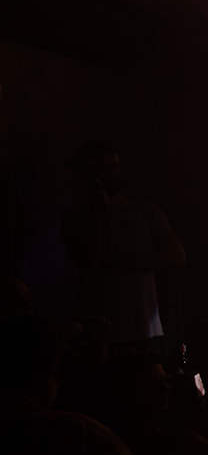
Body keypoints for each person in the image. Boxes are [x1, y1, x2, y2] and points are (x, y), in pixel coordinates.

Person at [60, 141, 186, 355]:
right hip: (97, 333)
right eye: (104, 168)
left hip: (141, 330)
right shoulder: (75, 218)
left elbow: (176, 257)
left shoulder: (146, 213)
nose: (113, 173)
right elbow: (88, 264)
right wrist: (98, 215)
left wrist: (116, 260)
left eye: (116, 166)